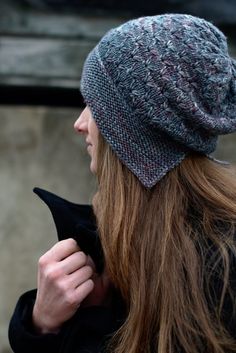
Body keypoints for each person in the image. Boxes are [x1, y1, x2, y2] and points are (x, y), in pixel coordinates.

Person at [9, 13, 236, 353]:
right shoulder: (109, 241)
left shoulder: (223, 274)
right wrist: (42, 323)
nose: (79, 123)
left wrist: (83, 327)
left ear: (130, 131)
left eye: (95, 106)